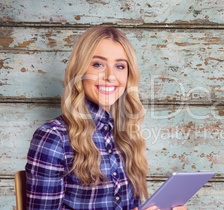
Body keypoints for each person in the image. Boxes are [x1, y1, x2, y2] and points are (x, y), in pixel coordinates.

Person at [25, 26, 187, 210]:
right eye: (98, 64)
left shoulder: (125, 134)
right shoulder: (54, 137)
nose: (110, 76)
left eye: (120, 66)